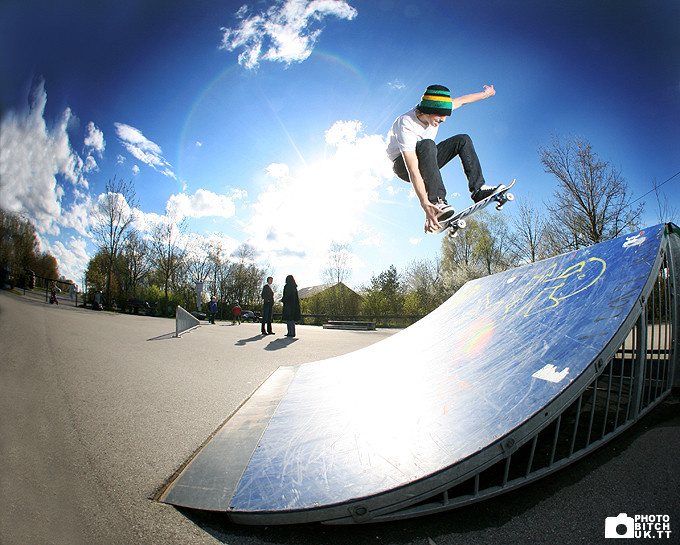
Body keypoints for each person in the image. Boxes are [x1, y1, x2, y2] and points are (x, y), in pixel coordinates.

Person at [386, 83, 500, 234]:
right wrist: (425, 204)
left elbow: (463, 100)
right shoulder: (406, 124)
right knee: (427, 144)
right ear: (428, 110)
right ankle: (437, 202)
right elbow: (413, 170)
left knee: (463, 140)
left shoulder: (439, 107)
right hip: (403, 166)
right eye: (440, 116)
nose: (443, 120)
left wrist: (487, 94)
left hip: (428, 158)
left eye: (446, 115)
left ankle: (479, 190)